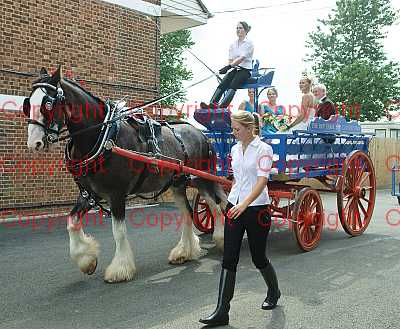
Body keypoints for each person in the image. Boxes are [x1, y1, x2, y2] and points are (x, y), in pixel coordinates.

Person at [199, 111, 281, 327]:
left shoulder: (264, 149)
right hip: (235, 207)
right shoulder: (236, 149)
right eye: (233, 129)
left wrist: (243, 205)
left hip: (257, 209)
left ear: (249, 128)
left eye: (236, 129)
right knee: (229, 257)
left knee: (258, 257)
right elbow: (238, 178)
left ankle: (274, 291)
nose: (233, 132)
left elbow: (262, 180)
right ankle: (221, 311)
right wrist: (230, 202)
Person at [200, 22, 254, 110]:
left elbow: (241, 58)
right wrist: (227, 67)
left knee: (234, 83)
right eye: (237, 28)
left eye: (240, 28)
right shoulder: (233, 44)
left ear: (246, 30)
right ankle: (211, 104)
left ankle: (222, 106)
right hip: (235, 69)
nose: (238, 30)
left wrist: (229, 66)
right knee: (223, 82)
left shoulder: (249, 43)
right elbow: (231, 60)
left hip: (245, 71)